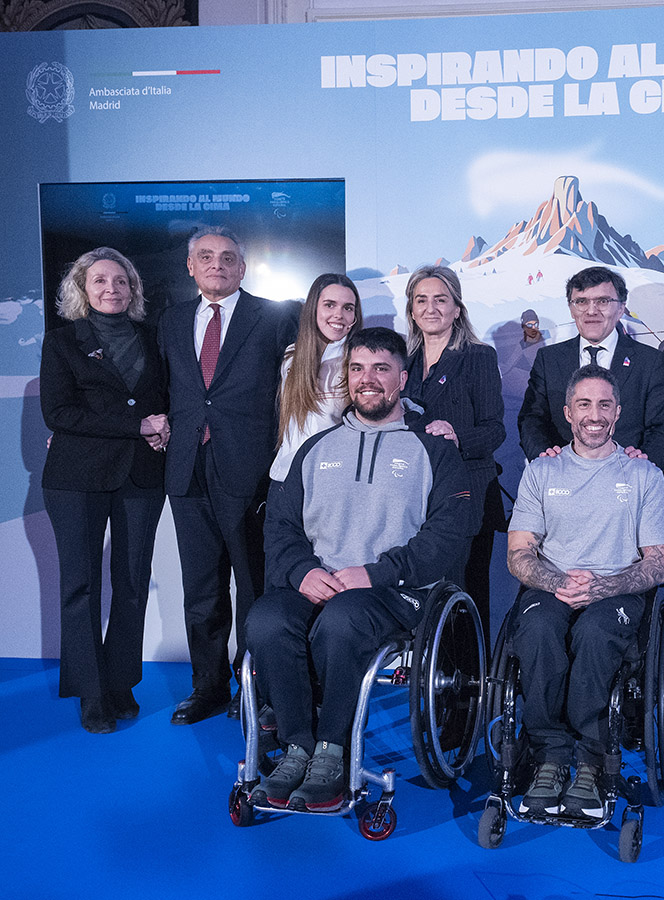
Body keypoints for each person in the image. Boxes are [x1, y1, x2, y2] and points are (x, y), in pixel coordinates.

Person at [246, 327, 474, 811]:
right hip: (321, 581)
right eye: (357, 369)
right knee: (265, 620)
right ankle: (297, 747)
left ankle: (333, 753)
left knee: (344, 620)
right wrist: (302, 571)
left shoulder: (433, 450)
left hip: (399, 591)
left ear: (402, 379)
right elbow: (281, 527)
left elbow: (448, 535)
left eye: (380, 369)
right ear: (346, 378)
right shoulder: (315, 448)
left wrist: (378, 572)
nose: (367, 379)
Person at [507, 364, 664, 818]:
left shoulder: (644, 475)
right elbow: (519, 553)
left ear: (618, 413)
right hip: (554, 583)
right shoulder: (541, 471)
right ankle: (549, 754)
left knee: (595, 635)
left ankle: (590, 760)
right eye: (584, 404)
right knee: (538, 628)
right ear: (567, 412)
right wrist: (560, 582)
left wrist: (603, 586)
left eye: (604, 405)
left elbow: (659, 563)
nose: (594, 415)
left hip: (617, 586)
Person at [158, 226, 299, 725]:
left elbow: (308, 376)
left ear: (242, 267)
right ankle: (208, 687)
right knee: (201, 590)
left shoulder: (277, 317)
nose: (216, 264)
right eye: (205, 256)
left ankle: (257, 692)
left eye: (227, 257)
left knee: (254, 588)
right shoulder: (171, 321)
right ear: (190, 266)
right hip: (187, 469)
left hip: (252, 470)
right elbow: (164, 389)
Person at [40, 248, 169, 733]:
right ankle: (90, 692)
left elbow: (172, 400)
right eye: (100, 281)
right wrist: (138, 425)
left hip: (141, 476)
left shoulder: (154, 338)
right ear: (82, 288)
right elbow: (59, 414)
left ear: (133, 288)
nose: (111, 289)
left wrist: (165, 427)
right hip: (76, 479)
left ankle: (120, 682)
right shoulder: (61, 342)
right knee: (81, 585)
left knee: (133, 583)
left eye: (121, 280)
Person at [402, 266, 505, 637]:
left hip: (468, 495)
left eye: (441, 299)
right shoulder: (401, 362)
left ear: (457, 309)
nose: (431, 308)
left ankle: (469, 689)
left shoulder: (478, 357)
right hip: (412, 497)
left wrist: (457, 436)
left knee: (464, 596)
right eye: (422, 300)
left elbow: (495, 430)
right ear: (411, 310)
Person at [518, 266, 664, 473]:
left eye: (603, 301)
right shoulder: (549, 359)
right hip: (562, 479)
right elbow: (532, 419)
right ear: (571, 309)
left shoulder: (652, 361)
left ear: (621, 308)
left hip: (630, 481)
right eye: (581, 301)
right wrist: (544, 457)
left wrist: (643, 465)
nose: (591, 311)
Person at [269, 273, 362, 484]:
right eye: (330, 305)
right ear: (314, 308)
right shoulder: (291, 356)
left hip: (333, 481)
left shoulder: (359, 361)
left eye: (348, 308)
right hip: (284, 478)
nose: (339, 314)